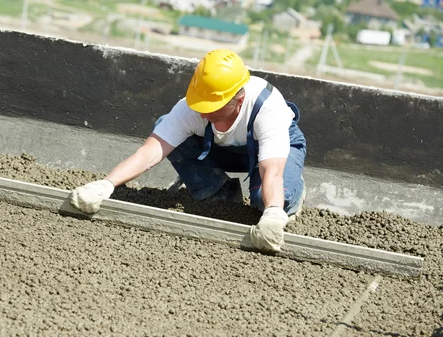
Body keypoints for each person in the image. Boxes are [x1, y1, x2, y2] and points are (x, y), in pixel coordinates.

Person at [70, 49, 306, 252]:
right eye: (201, 105)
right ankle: (220, 194)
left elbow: (271, 172)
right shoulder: (192, 108)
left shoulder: (267, 108)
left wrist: (274, 213)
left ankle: (292, 194)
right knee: (164, 125)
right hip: (223, 149)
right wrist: (105, 185)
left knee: (266, 201)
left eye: (213, 108)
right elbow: (150, 152)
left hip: (269, 155)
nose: (203, 114)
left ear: (239, 99)